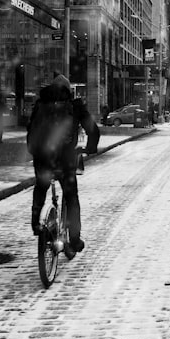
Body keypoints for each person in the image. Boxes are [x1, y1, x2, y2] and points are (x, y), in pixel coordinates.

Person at [26, 75, 100, 246]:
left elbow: (30, 129)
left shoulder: (40, 104)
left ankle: (36, 223)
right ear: (68, 90)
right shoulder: (75, 106)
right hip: (65, 159)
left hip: (42, 157)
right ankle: (74, 238)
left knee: (41, 187)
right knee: (71, 196)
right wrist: (90, 148)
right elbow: (93, 130)